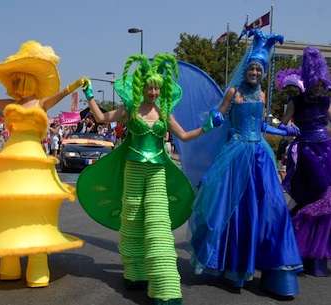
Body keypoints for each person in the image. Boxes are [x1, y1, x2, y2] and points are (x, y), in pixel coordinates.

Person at [77, 53, 220, 305]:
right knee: (131, 218)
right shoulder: (130, 109)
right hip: (132, 169)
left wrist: (207, 126)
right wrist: (89, 95)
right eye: (150, 87)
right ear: (142, 88)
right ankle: (135, 272)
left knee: (158, 223)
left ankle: (166, 287)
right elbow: (101, 118)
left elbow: (184, 136)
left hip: (157, 171)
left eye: (157, 87)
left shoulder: (165, 111)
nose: (154, 91)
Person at [0, 40, 85, 288]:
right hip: (10, 159)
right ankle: (9, 260)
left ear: (28, 81)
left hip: (33, 158)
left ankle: (37, 261)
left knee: (35, 208)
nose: (14, 85)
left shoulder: (41, 103)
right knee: (8, 208)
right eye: (12, 81)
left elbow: (61, 94)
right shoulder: (9, 104)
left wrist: (74, 85)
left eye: (17, 80)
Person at [187, 29, 303, 297]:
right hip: (236, 152)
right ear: (246, 70)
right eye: (251, 69)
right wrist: (214, 117)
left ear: (262, 72)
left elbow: (262, 125)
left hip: (260, 155)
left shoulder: (262, 97)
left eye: (258, 70)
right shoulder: (233, 92)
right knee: (234, 209)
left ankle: (273, 265)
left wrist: (285, 131)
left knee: (271, 207)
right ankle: (232, 268)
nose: (254, 73)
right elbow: (219, 114)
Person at [278, 46, 331, 276]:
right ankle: (297, 211)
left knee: (326, 195)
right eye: (316, 83)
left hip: (326, 146)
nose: (319, 87)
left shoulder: (325, 101)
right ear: (309, 81)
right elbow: (282, 124)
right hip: (306, 145)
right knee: (319, 185)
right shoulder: (296, 101)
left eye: (322, 83)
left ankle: (313, 253)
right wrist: (288, 127)